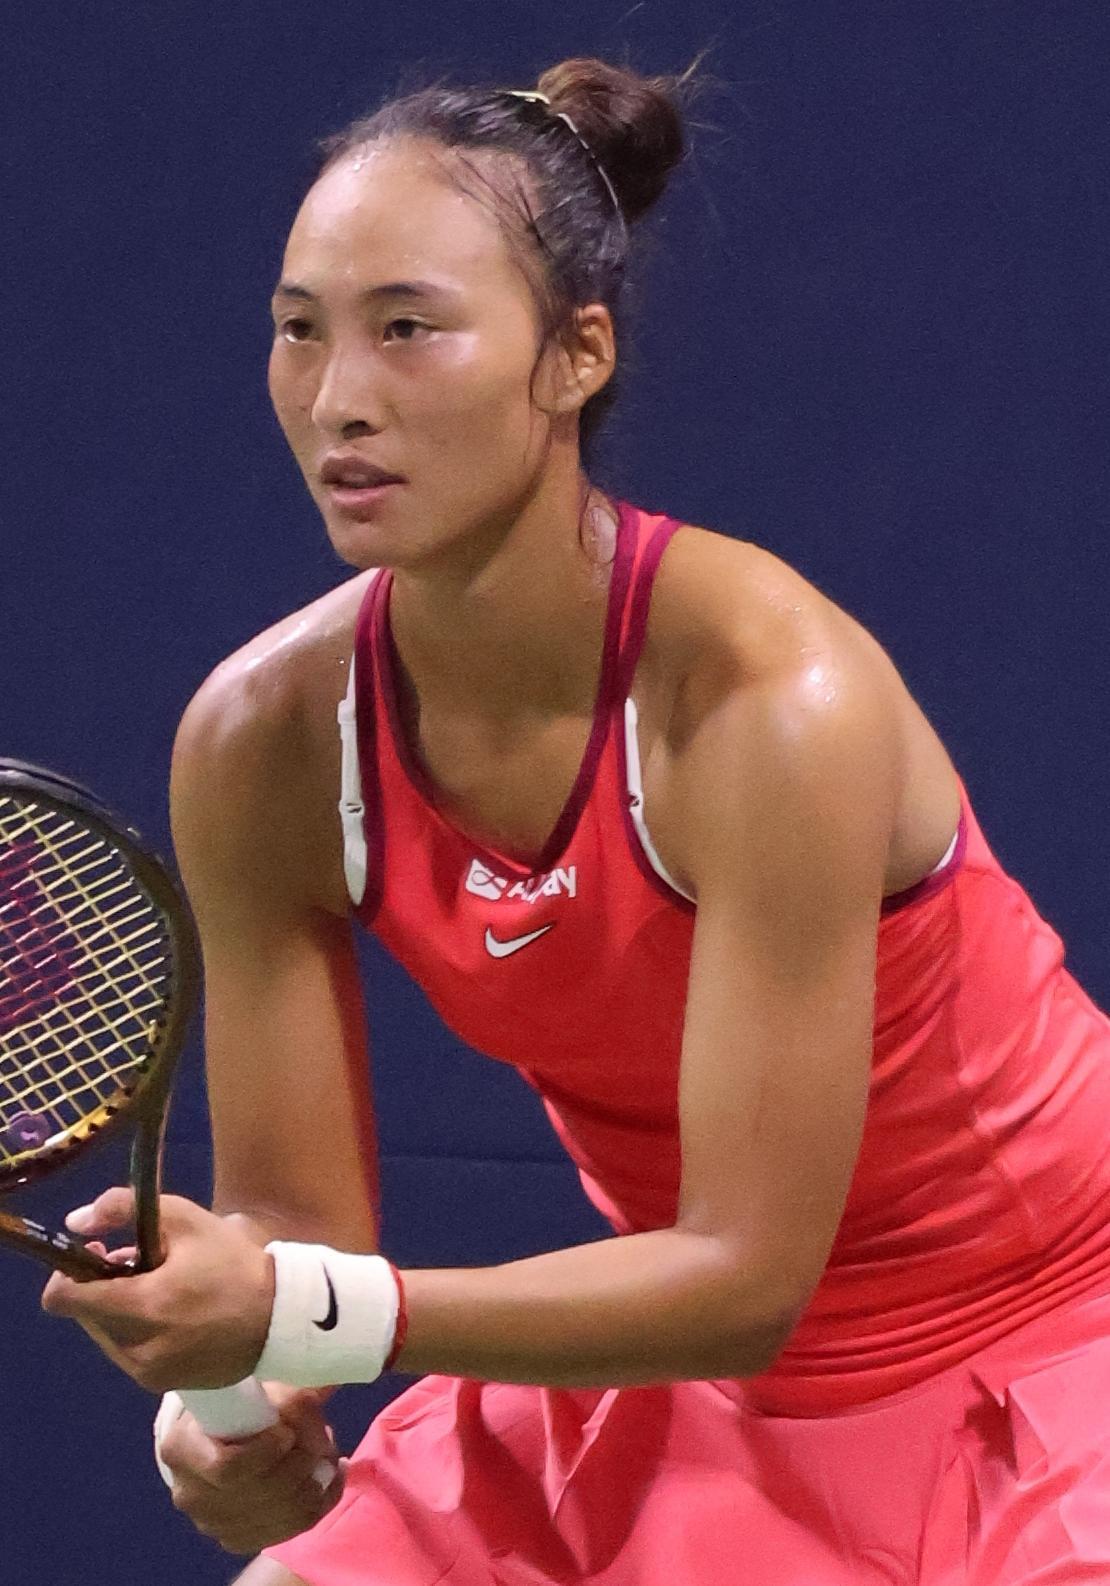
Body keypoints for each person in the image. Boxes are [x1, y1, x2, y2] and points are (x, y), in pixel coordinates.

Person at [41, 56, 1110, 1586]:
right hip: (667, 1371)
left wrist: (306, 1310)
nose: (339, 397)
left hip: (1037, 1346)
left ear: (573, 356)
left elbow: (746, 1276)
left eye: (408, 328)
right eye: (299, 332)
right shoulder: (265, 740)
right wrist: (244, 1397)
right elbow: (296, 1234)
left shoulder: (765, 696)